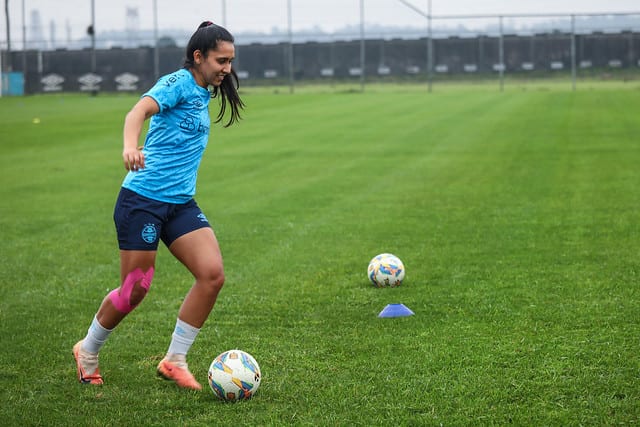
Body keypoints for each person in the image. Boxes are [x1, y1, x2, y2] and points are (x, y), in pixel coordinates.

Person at [72, 21, 244, 391]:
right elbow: (137, 112)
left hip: (180, 204)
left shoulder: (206, 90)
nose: (227, 69)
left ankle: (174, 360)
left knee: (212, 275)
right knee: (135, 288)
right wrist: (130, 147)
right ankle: (87, 350)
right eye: (221, 60)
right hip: (143, 201)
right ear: (198, 57)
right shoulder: (177, 83)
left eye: (230, 61)